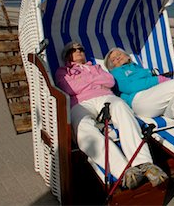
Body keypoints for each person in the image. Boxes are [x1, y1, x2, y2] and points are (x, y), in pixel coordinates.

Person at [55, 41, 167, 189]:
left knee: (122, 108)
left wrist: (85, 81)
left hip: (105, 97)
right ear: (67, 56)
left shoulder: (96, 67)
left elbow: (109, 81)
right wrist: (95, 81)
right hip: (81, 103)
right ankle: (124, 171)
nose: (79, 51)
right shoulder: (62, 71)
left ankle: (144, 163)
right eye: (74, 50)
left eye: (81, 49)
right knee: (83, 128)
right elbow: (69, 88)